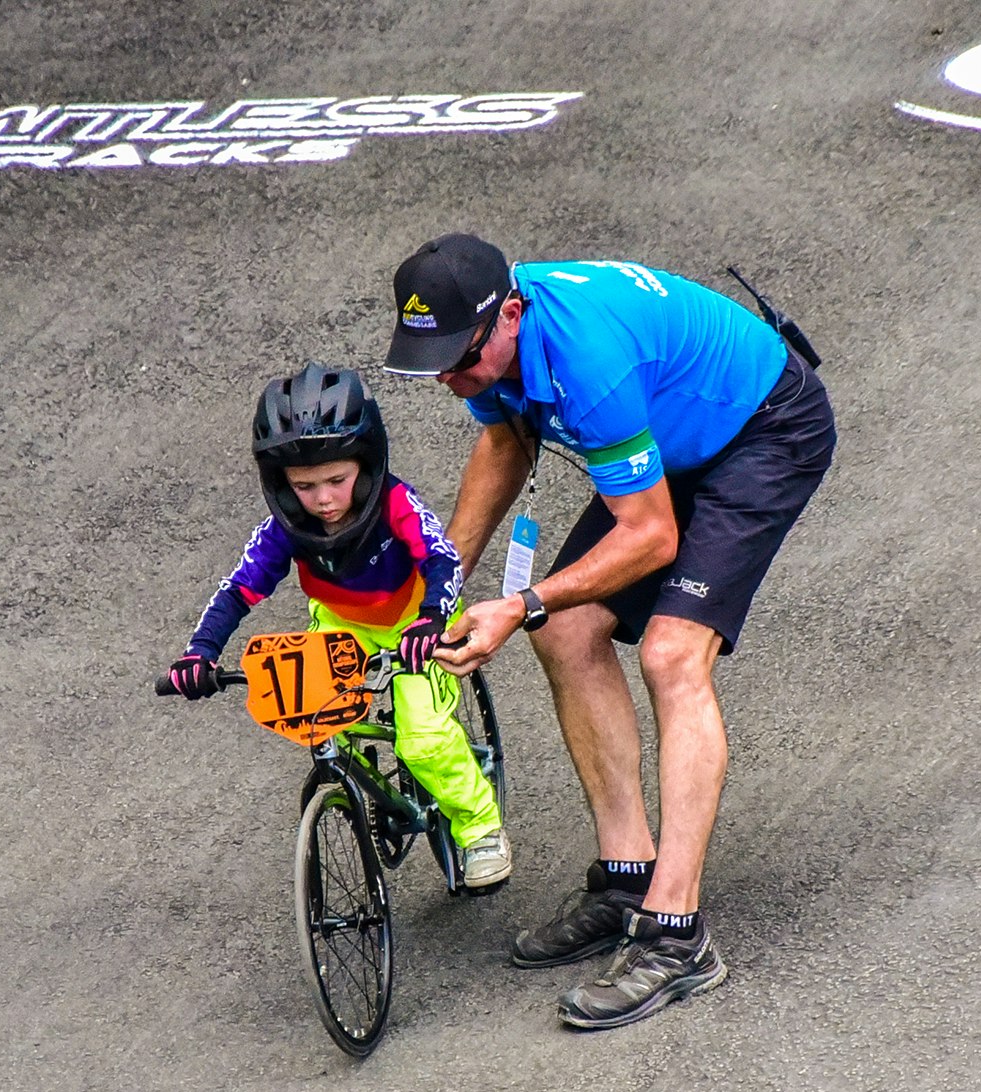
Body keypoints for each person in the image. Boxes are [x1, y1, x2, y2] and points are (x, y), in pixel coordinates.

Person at [383, 233, 835, 1028]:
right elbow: (505, 440)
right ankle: (629, 876)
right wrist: (443, 584)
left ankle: (676, 933)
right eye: (437, 362)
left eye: (460, 358)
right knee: (565, 632)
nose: (451, 378)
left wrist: (517, 603)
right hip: (670, 434)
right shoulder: (501, 339)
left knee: (671, 655)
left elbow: (653, 537)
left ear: (510, 316)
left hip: (764, 431)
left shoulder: (590, 363)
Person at [165, 360, 511, 889]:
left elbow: (443, 560)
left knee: (420, 740)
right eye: (303, 486)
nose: (323, 500)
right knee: (318, 722)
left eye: (337, 480)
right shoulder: (284, 528)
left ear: (366, 465)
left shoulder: (396, 501)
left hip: (412, 623)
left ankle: (481, 828)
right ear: (280, 484)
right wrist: (200, 653)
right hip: (339, 625)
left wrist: (431, 620)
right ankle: (360, 793)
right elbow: (238, 589)